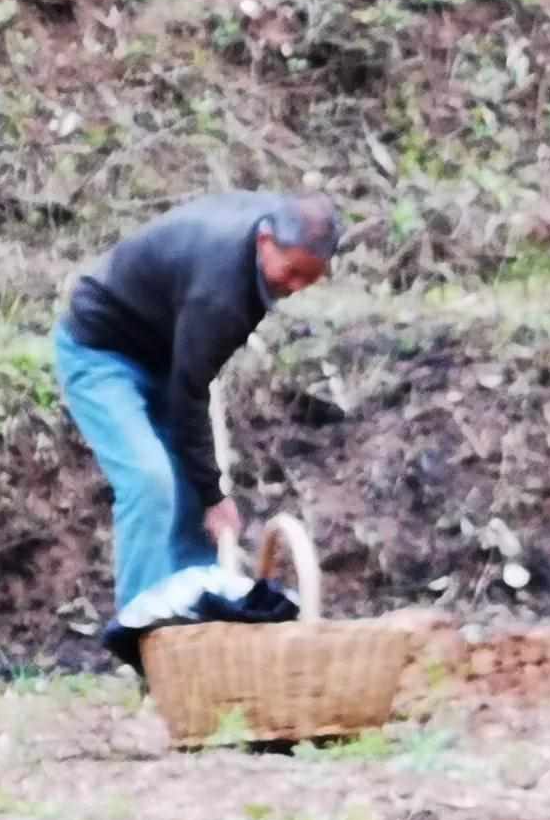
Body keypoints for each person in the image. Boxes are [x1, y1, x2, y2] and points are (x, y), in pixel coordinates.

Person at [54, 189, 340, 672]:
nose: (294, 286)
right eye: (290, 272)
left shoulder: (273, 227)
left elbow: (189, 380)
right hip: (101, 350)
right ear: (265, 239)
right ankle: (144, 646)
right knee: (151, 482)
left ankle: (197, 648)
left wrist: (203, 493)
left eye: (309, 279)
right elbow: (190, 395)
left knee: (187, 492)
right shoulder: (221, 293)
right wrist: (214, 495)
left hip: (164, 350)